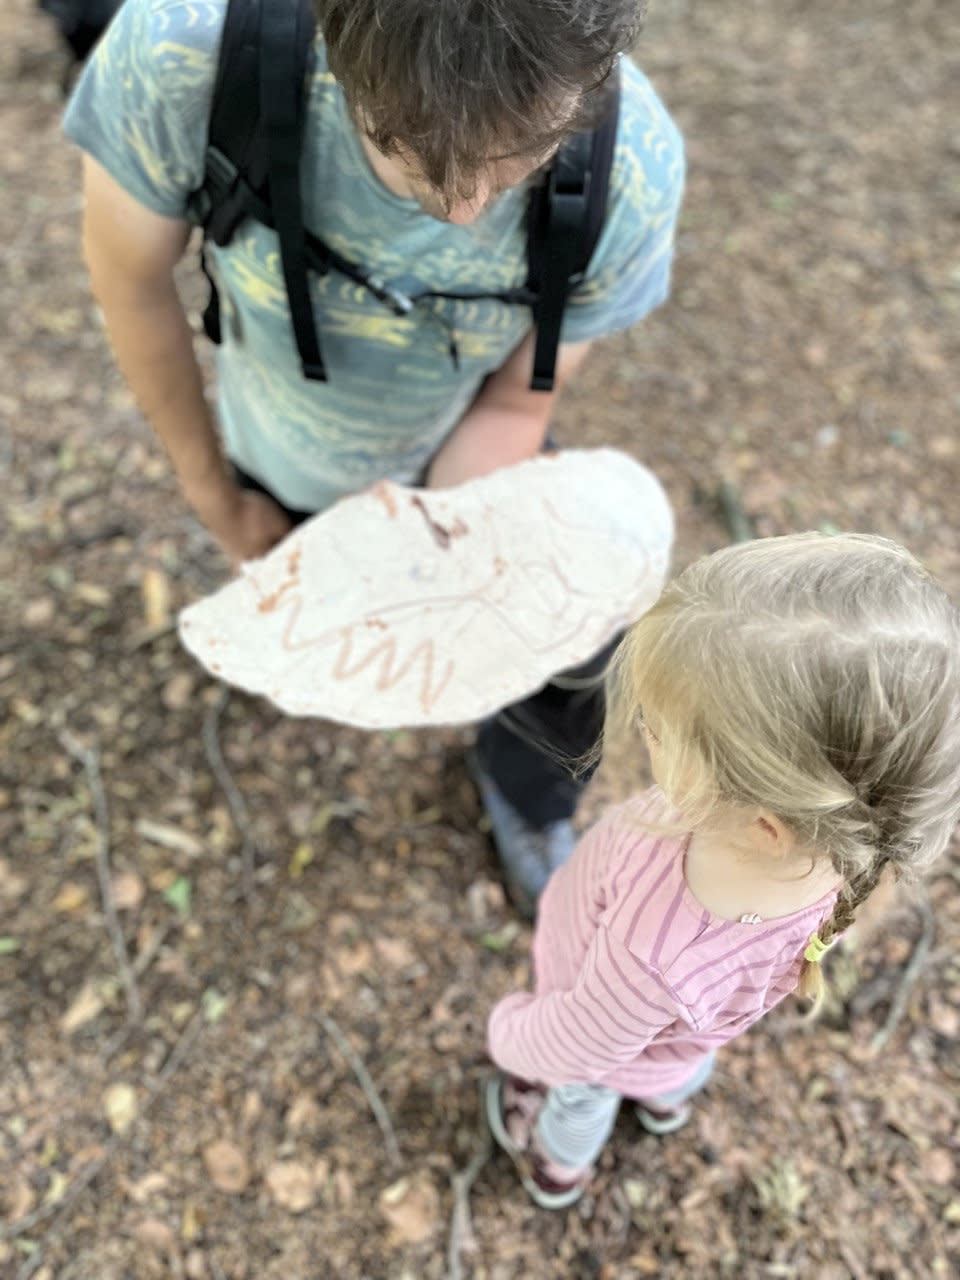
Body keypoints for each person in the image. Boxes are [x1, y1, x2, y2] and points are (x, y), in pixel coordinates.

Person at [63, 0, 685, 912]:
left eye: (526, 152)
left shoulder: (628, 172)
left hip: (463, 460)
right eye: (407, 147)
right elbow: (129, 281)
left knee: (584, 657)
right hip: (280, 453)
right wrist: (217, 497)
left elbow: (520, 395)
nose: (470, 204)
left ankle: (529, 795)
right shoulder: (184, 55)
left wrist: (446, 548)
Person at [485, 532, 960, 1208]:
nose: (644, 729)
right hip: (679, 1040)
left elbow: (579, 1047)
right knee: (674, 1057)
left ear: (766, 825)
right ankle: (667, 1100)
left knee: (584, 1092)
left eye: (660, 729)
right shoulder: (847, 858)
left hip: (595, 1024)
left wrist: (508, 1032)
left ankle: (557, 1167)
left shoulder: (651, 949)